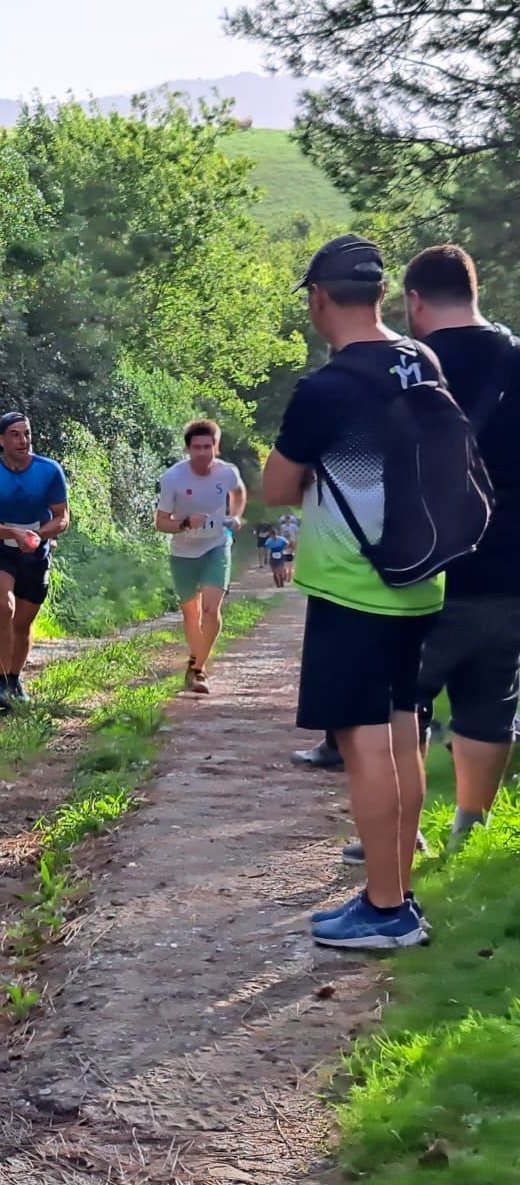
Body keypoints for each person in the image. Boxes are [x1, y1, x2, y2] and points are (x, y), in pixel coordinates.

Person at [264, 234, 444, 949]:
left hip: (354, 584)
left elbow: (278, 487)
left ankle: (385, 909)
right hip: (423, 578)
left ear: (318, 299)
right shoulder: (421, 361)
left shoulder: (328, 388)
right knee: (403, 734)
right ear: (379, 295)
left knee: (365, 740)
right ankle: (396, 894)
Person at [392, 244, 520, 857]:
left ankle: (402, 832)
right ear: (474, 292)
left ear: (415, 301)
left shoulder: (407, 366)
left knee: (401, 697)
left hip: (426, 565)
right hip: (509, 562)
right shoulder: (516, 357)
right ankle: (470, 833)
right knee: (491, 696)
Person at [0, 411, 71, 711]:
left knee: (23, 622)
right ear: (1, 440)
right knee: (5, 606)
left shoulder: (49, 470)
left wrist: (38, 536)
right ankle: (1, 683)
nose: (23, 440)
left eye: (26, 433)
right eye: (15, 434)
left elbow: (62, 517)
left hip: (36, 551)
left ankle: (15, 680)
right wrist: (12, 532)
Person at [155, 419, 246, 693]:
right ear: (188, 449)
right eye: (197, 447)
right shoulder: (173, 478)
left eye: (208, 446)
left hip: (216, 546)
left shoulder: (227, 472)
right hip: (183, 552)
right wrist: (184, 524)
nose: (203, 452)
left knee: (210, 609)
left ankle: (198, 669)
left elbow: (239, 492)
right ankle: (194, 664)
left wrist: (236, 516)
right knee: (191, 613)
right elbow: (160, 523)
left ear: (216, 447)